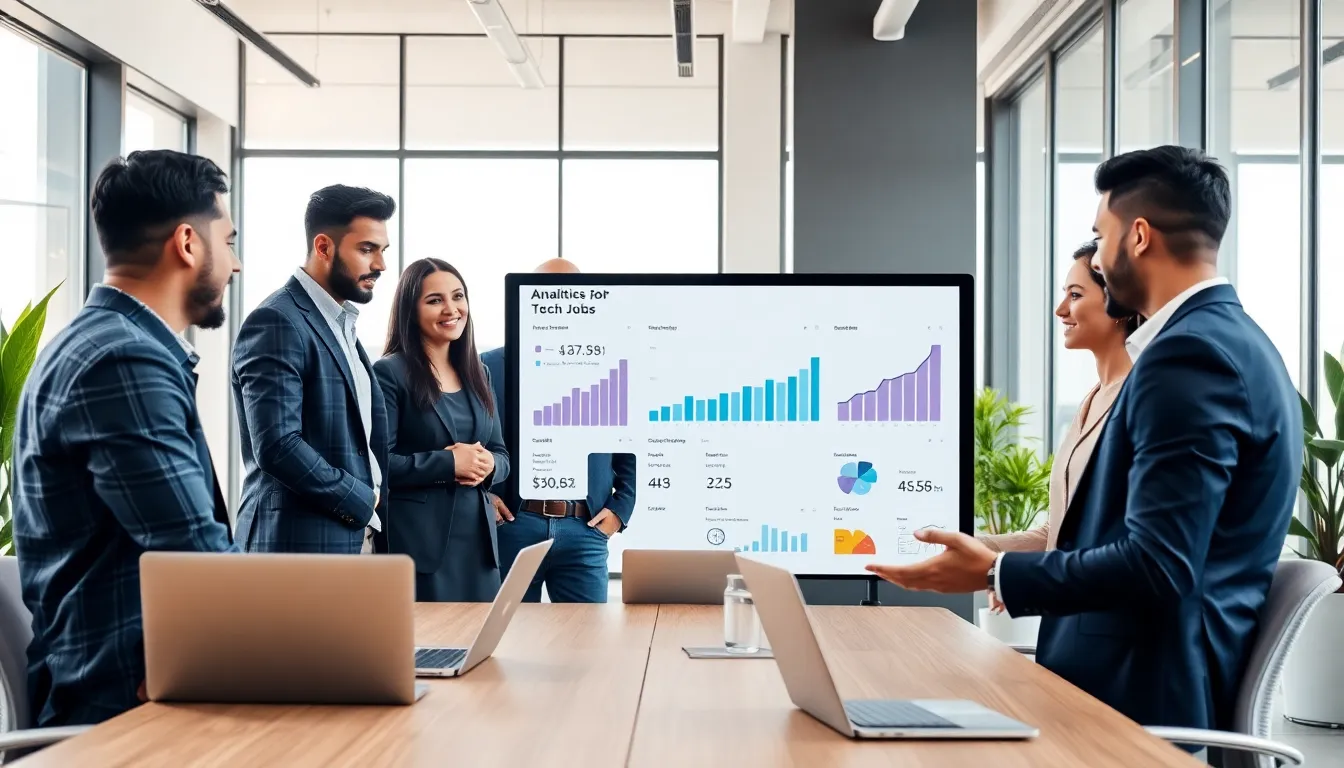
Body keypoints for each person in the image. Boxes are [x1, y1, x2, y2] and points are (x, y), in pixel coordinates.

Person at [868, 145, 1301, 734]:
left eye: (1101, 237)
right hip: (1112, 681)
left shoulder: (1189, 355)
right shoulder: (1234, 341)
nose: (1097, 255)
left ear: (1138, 237)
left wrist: (995, 573)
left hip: (1137, 702)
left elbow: (1158, 564)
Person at [13, 150, 239, 726]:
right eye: (229, 241)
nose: (235, 264)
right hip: (123, 707)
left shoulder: (96, 343)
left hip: (140, 685)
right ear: (188, 243)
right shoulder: (123, 359)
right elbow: (194, 557)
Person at [231, 184, 394, 554]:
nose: (380, 265)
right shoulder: (277, 320)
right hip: (298, 543)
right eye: (367, 249)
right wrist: (360, 499)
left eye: (382, 251)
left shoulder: (341, 324)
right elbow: (277, 445)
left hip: (353, 538)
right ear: (324, 247)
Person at [480, 257, 637, 603]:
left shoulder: (609, 365)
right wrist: (483, 499)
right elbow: (469, 440)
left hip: (585, 530)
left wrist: (621, 509)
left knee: (587, 636)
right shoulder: (487, 366)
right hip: (512, 526)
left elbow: (631, 445)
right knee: (509, 633)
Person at [979, 241, 1137, 561]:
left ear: (1119, 304)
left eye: (1075, 295)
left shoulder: (1137, 401)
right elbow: (1057, 534)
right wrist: (974, 545)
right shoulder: (1092, 399)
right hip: (1068, 591)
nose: (1060, 309)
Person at [372, 259, 510, 601]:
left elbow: (501, 453)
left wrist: (490, 465)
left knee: (482, 634)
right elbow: (379, 464)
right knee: (429, 635)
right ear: (411, 310)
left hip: (479, 546)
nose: (451, 309)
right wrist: (449, 464)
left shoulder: (479, 372)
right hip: (420, 546)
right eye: (435, 300)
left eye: (458, 296)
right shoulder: (390, 373)